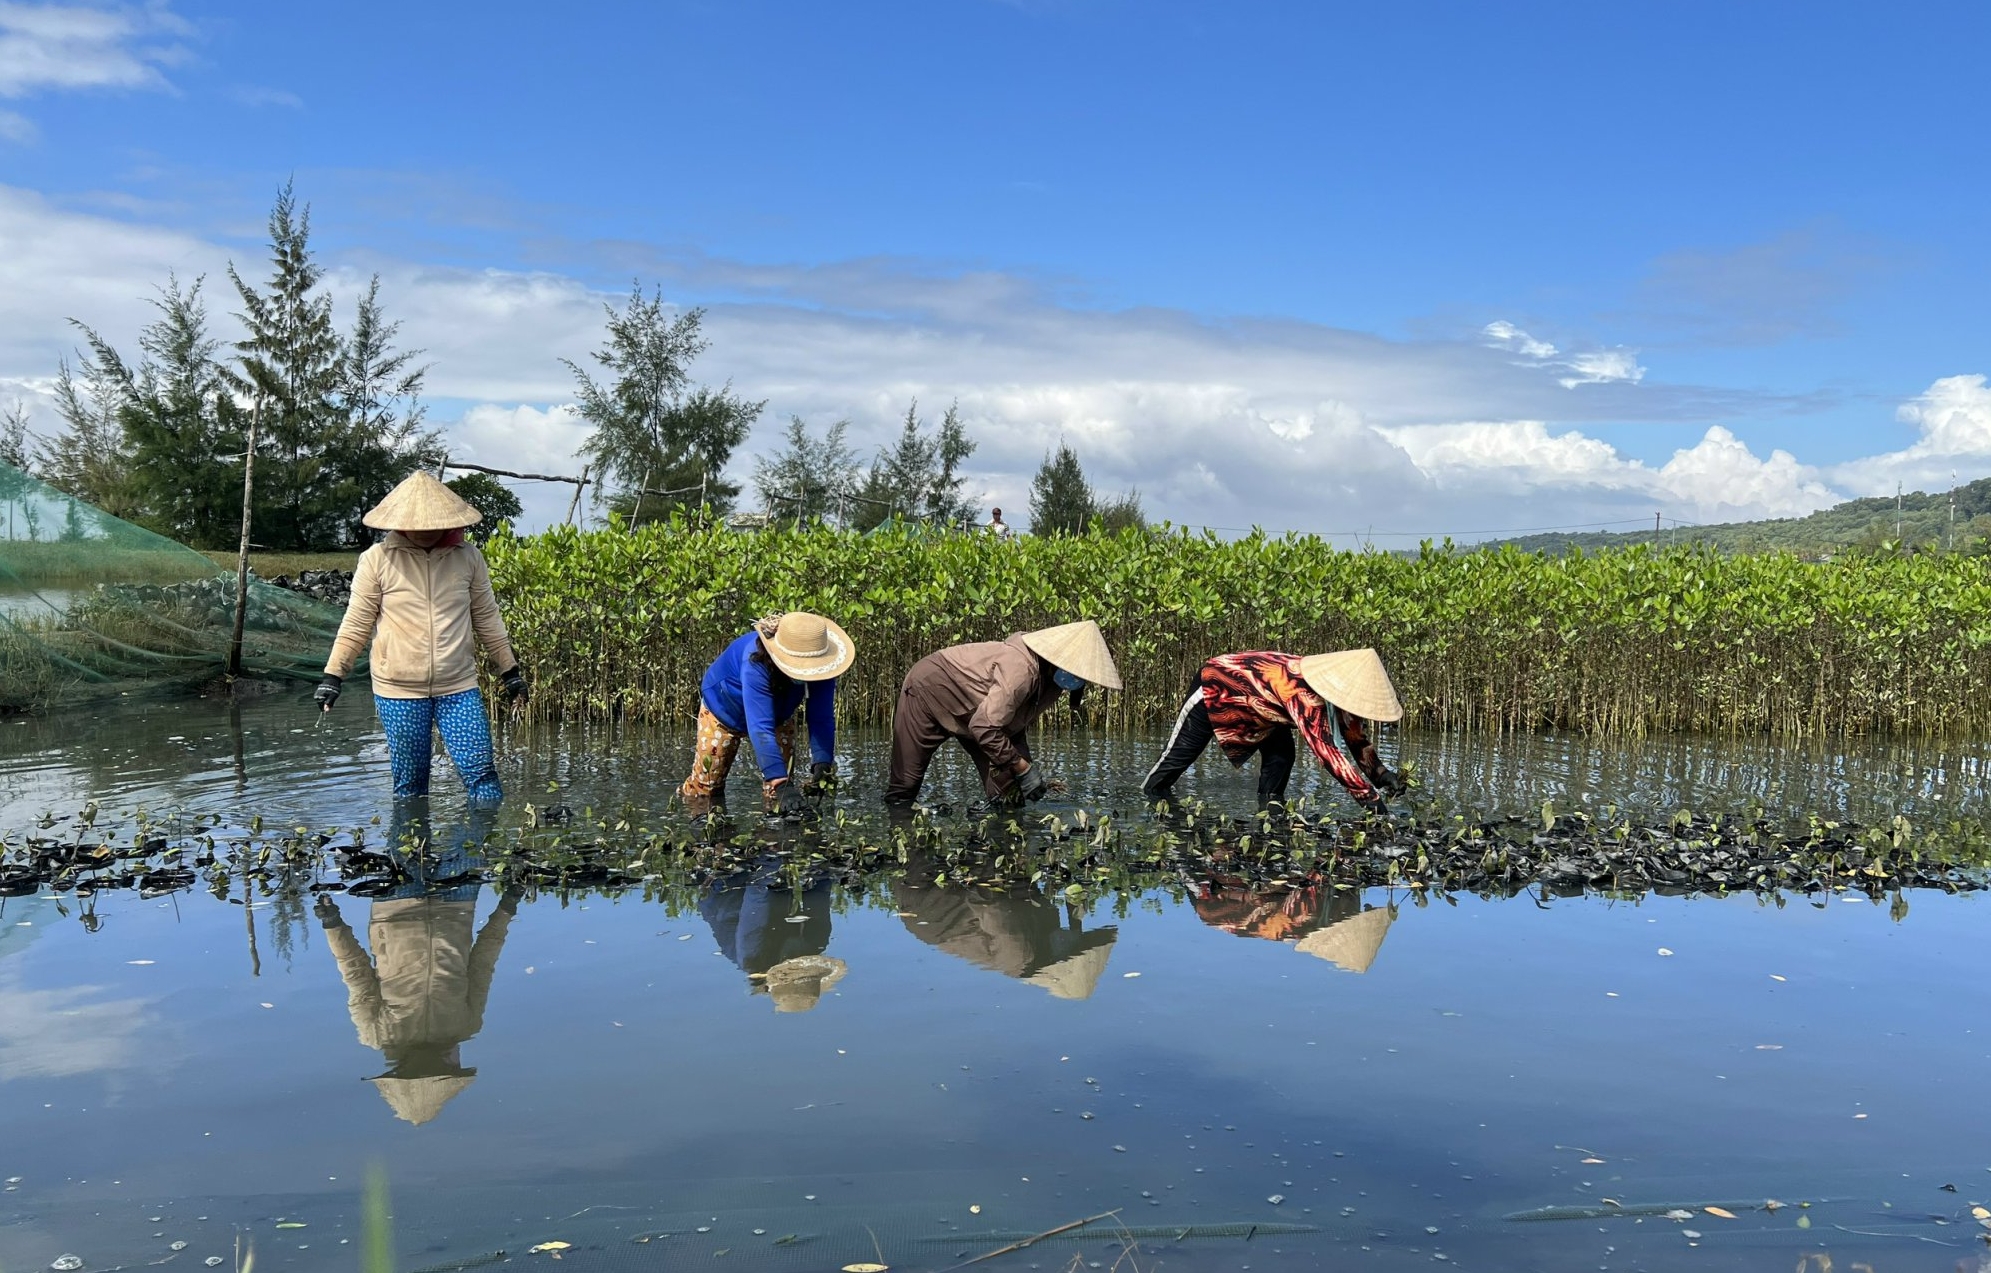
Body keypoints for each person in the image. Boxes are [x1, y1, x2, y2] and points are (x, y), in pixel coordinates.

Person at [316, 472, 526, 803]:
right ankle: (410, 855)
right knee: (411, 787)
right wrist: (333, 675)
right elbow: (357, 622)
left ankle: (480, 854)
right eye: (415, 525)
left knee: (483, 778)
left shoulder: (468, 558)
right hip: (398, 689)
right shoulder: (377, 560)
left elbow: (486, 618)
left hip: (458, 687)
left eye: (432, 525)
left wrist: (510, 671)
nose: (424, 531)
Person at [317, 802, 517, 1125]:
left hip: (398, 903)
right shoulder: (466, 1026)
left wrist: (333, 925)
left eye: (454, 1067)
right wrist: (507, 907)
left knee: (423, 814)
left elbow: (355, 973)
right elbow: (483, 965)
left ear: (441, 1065)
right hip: (456, 902)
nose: (458, 1059)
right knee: (471, 819)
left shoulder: (377, 1033)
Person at [885, 620, 1121, 806]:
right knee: (904, 788)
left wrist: (1027, 769)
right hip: (929, 689)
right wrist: (1022, 767)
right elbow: (984, 728)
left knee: (1007, 792)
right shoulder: (1021, 670)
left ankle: (1000, 861)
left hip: (978, 712)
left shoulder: (1051, 683)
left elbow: (1012, 727)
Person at [1141, 647, 1407, 812]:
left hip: (1264, 707)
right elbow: (1328, 754)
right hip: (1217, 687)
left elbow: (1356, 740)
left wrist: (1382, 776)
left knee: (1281, 758)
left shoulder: (1342, 697)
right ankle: (1148, 799)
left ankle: (1268, 812)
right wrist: (1372, 803)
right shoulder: (1305, 694)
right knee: (1178, 757)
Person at [680, 611, 854, 818]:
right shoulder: (755, 662)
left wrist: (822, 764)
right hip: (723, 709)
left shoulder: (823, 664)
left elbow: (821, 717)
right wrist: (779, 781)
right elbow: (760, 728)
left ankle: (772, 840)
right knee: (706, 790)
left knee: (781, 798)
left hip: (779, 711)